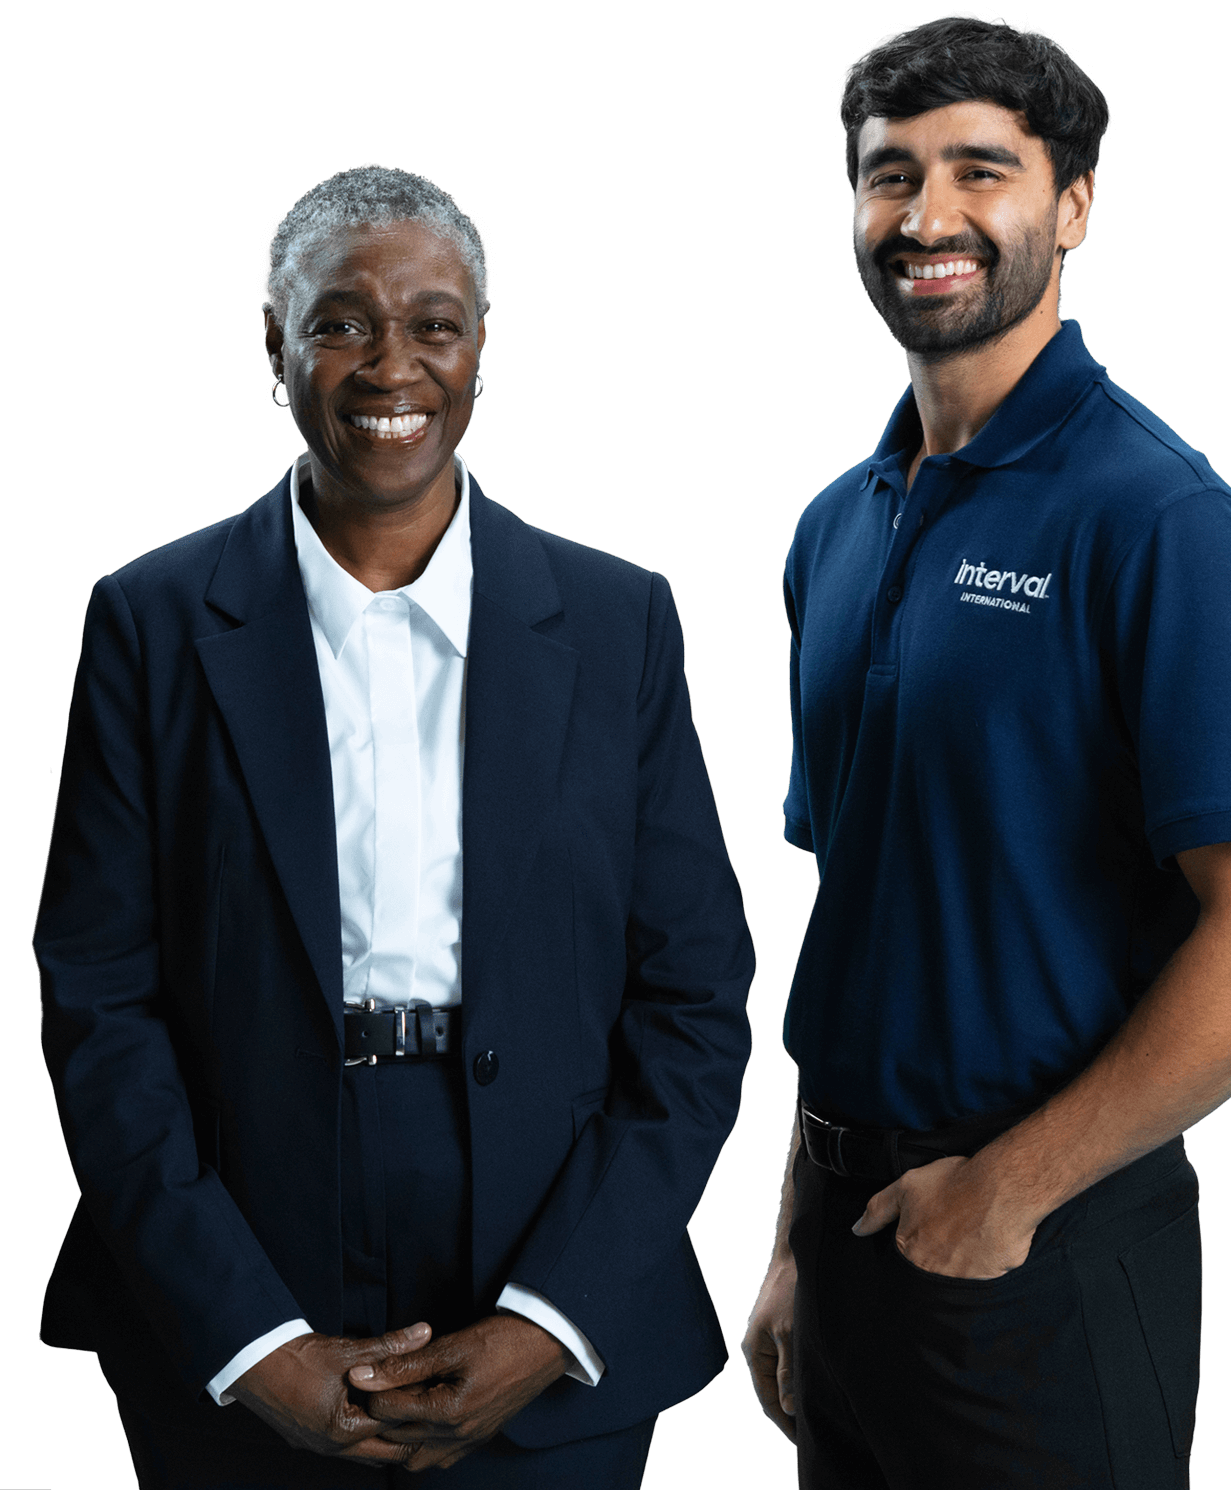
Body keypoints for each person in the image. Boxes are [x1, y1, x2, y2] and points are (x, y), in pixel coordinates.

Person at [35, 163, 756, 1487]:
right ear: (275, 343)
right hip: (240, 1249)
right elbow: (99, 999)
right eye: (341, 321)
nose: (392, 363)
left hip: (554, 1249)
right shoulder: (149, 622)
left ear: (482, 351)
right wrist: (249, 1337)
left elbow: (698, 998)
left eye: (434, 322)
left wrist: (551, 1316)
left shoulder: (618, 620)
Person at [735, 13, 1231, 1487]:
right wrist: (790, 1237)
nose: (927, 216)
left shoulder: (1164, 522)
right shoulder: (836, 523)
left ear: (1072, 206)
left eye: (980, 171)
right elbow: (858, 920)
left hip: (1047, 1243)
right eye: (890, 175)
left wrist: (1012, 1187)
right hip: (846, 1219)